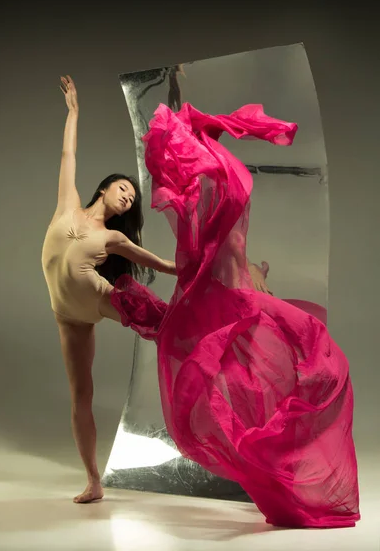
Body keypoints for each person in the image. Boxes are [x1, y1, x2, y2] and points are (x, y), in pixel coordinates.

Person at [110, 102, 360, 528]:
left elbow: (223, 242)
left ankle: (287, 474)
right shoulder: (204, 209)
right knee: (264, 379)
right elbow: (200, 244)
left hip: (241, 294)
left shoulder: (220, 194)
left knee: (305, 362)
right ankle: (283, 477)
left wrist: (253, 274)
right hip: (229, 302)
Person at [42, 76, 274, 504]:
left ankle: (235, 327)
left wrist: (194, 267)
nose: (128, 197)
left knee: (173, 330)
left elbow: (161, 264)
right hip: (68, 317)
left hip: (101, 299)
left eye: (132, 197)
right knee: (82, 396)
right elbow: (67, 154)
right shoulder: (66, 205)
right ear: (104, 188)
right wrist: (74, 112)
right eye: (123, 189)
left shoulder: (113, 239)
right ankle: (93, 480)